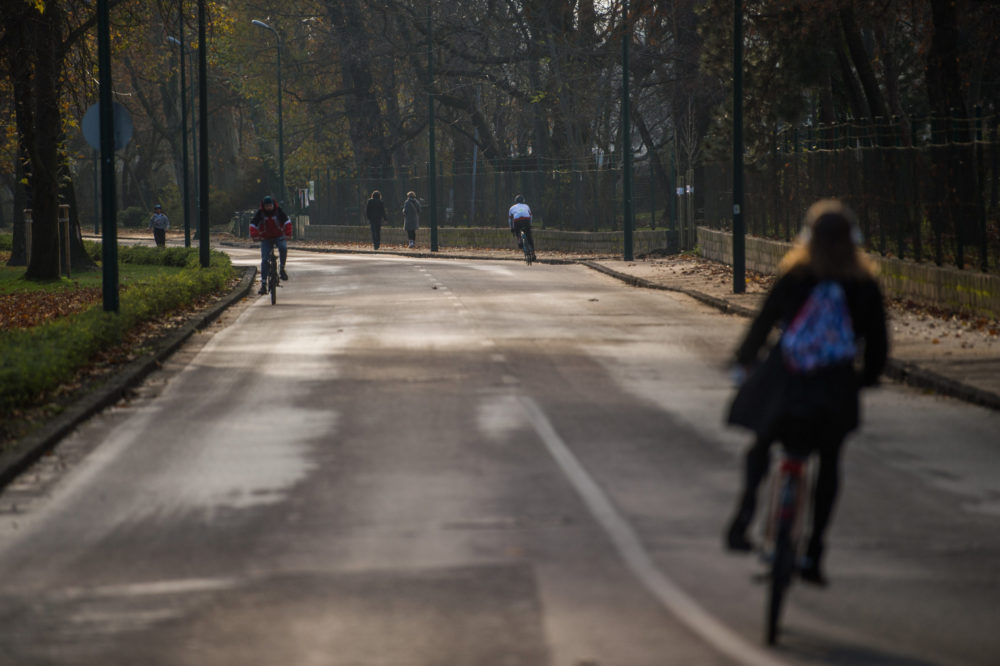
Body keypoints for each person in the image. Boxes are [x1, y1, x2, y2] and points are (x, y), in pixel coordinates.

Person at [725, 199, 888, 586]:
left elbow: (764, 322)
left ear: (808, 238)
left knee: (762, 441)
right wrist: (865, 379)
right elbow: (878, 345)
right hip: (833, 391)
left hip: (788, 384)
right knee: (829, 461)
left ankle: (744, 517)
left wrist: (745, 361)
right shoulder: (864, 285)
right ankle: (814, 552)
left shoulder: (796, 275)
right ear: (853, 241)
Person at [249, 195, 292, 295]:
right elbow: (253, 225)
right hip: (266, 238)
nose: (269, 207)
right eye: (267, 206)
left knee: (283, 248)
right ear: (263, 206)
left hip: (279, 236)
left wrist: (288, 234)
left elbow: (287, 222)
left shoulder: (278, 211)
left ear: (273, 205)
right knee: (264, 260)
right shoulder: (260, 214)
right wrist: (255, 235)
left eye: (270, 205)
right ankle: (263, 284)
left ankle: (282, 269)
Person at [508, 194, 535, 260]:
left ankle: (519, 239)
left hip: (517, 221)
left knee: (517, 230)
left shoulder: (512, 208)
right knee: (529, 236)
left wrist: (511, 228)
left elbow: (510, 219)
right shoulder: (526, 206)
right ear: (523, 200)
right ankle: (533, 253)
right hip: (526, 220)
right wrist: (530, 224)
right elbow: (531, 216)